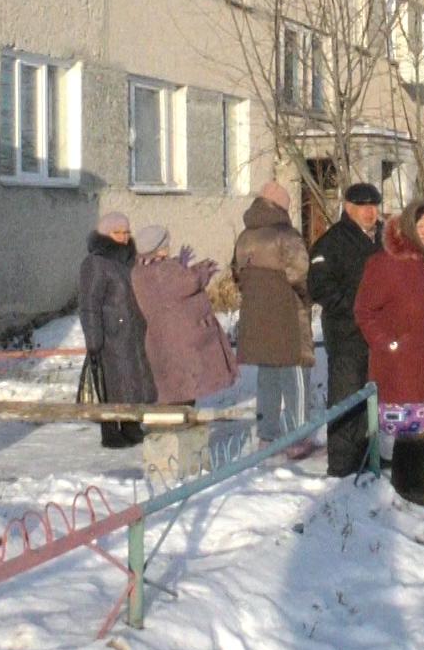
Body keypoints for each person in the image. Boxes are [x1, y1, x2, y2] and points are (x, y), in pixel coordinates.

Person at [353, 201, 424, 508]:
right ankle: (405, 480)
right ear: (410, 228)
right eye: (421, 228)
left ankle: (420, 475)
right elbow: (364, 311)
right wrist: (387, 342)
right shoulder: (386, 263)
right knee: (409, 427)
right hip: (402, 360)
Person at [233, 181, 318, 459]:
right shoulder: (286, 236)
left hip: (256, 318)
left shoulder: (245, 237)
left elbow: (238, 277)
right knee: (295, 377)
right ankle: (298, 436)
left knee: (267, 378)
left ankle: (267, 437)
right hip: (287, 317)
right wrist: (310, 299)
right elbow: (301, 276)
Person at [308, 183, 383, 478]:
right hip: (346, 331)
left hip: (375, 333)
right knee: (345, 394)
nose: (370, 212)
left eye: (374, 206)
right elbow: (320, 287)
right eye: (364, 207)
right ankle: (341, 463)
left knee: (369, 395)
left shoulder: (380, 240)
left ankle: (366, 455)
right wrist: (355, 310)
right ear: (348, 208)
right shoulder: (332, 242)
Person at [131, 224, 236, 408]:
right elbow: (189, 282)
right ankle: (179, 432)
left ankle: (174, 428)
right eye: (166, 243)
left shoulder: (140, 271)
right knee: (183, 392)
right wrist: (203, 270)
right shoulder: (164, 270)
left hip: (160, 339)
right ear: (160, 247)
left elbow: (173, 283)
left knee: (172, 390)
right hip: (178, 340)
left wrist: (180, 264)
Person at [78, 211, 154, 449]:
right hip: (109, 335)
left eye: (126, 232)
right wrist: (93, 339)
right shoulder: (95, 263)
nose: (123, 237)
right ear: (105, 234)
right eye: (117, 232)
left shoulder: (130, 260)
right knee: (111, 383)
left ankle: (131, 425)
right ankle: (110, 431)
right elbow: (89, 304)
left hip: (133, 332)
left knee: (132, 381)